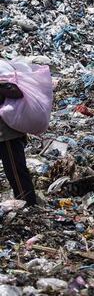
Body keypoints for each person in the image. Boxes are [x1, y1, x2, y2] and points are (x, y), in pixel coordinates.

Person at [0, 61, 37, 206]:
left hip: (7, 133)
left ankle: (28, 204)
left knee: (15, 171)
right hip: (6, 132)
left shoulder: (4, 77)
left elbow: (17, 92)